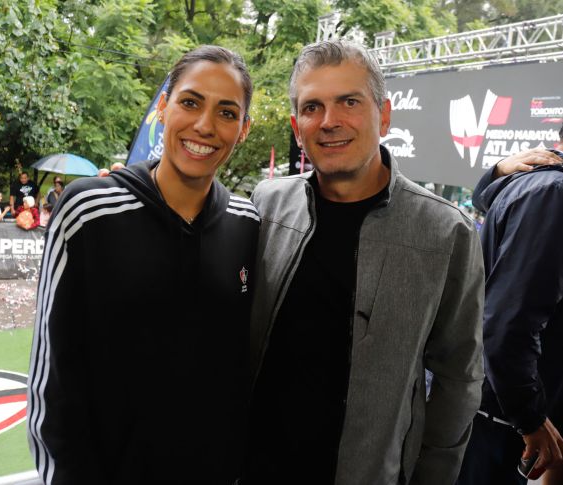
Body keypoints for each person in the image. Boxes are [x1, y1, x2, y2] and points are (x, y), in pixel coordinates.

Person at [243, 40, 484, 485]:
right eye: (313, 107)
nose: (330, 121)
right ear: (298, 127)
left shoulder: (447, 232)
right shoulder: (267, 204)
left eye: (349, 102)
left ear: (384, 115)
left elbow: (459, 376)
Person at [27, 45, 257, 484]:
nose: (205, 125)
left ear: (243, 129)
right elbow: (52, 383)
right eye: (190, 102)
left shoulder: (247, 223)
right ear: (164, 107)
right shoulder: (88, 212)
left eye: (227, 113)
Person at [457, 88, 563, 485]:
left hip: (501, 415)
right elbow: (509, 323)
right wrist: (529, 416)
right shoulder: (556, 193)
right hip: (498, 420)